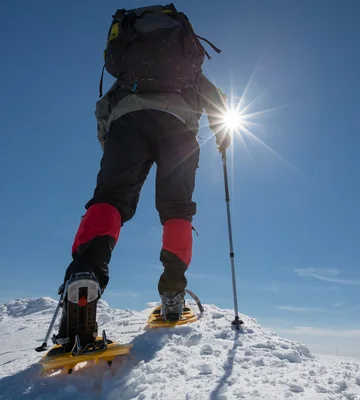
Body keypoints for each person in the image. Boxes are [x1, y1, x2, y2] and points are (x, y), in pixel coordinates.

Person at [52, 4, 230, 350]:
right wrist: (222, 133)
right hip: (179, 128)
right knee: (176, 208)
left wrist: (113, 144)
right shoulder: (187, 72)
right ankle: (173, 294)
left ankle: (84, 277)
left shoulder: (128, 70)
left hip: (127, 120)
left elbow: (103, 110)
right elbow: (218, 101)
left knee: (111, 198)